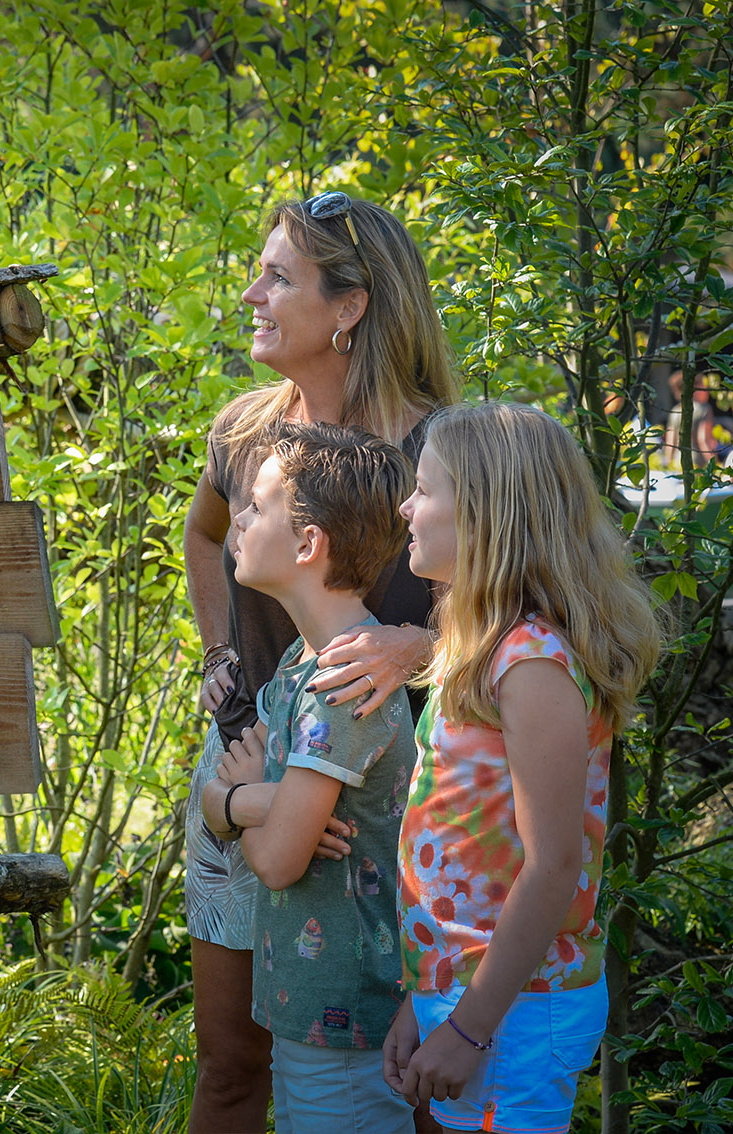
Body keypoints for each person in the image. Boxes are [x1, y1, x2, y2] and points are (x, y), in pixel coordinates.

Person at [183, 190, 458, 1131]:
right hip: (245, 766)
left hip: (380, 807)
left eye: (277, 277)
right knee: (231, 1066)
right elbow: (202, 533)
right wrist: (219, 653)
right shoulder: (243, 435)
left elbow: (512, 617)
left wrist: (418, 646)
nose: (251, 295)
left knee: (399, 1074)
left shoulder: (441, 452)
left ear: (350, 306)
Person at [383, 401, 663, 1133]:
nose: (406, 507)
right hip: (471, 995)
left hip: (515, 1009)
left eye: (424, 489)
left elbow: (552, 866)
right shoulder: (484, 646)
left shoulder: (532, 663)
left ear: (486, 515)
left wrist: (469, 1028)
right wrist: (423, 996)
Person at [199, 422, 420, 1132]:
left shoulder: (341, 685)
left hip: (346, 1022)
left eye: (257, 506)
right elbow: (246, 793)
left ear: (307, 545)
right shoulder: (303, 660)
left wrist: (236, 802)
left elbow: (276, 859)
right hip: (306, 1011)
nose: (237, 519)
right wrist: (257, 800)